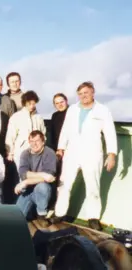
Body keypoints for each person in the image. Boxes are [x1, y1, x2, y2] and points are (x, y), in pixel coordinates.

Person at [54, 81, 117, 230]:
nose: (83, 96)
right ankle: (59, 213)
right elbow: (65, 130)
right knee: (64, 184)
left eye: (86, 93)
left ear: (93, 93)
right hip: (72, 152)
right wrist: (60, 148)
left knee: (93, 186)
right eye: (80, 94)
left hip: (92, 153)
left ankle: (93, 218)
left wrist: (112, 154)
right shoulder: (73, 110)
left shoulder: (103, 110)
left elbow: (109, 133)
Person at [15, 131, 57, 227]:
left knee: (42, 187)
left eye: (37, 141)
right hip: (28, 190)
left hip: (44, 191)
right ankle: (31, 212)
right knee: (16, 218)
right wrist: (42, 175)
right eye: (31, 141)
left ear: (43, 141)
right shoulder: (25, 153)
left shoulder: (50, 153)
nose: (34, 144)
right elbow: (23, 174)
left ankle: (41, 215)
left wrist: (26, 181)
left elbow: (49, 177)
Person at [6, 90, 46, 175]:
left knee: (36, 175)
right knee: (23, 176)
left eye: (33, 103)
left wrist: (42, 148)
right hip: (21, 151)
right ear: (24, 103)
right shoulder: (16, 116)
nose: (32, 106)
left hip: (37, 151)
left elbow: (43, 134)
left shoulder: (39, 117)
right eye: (29, 103)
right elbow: (10, 136)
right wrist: (10, 152)